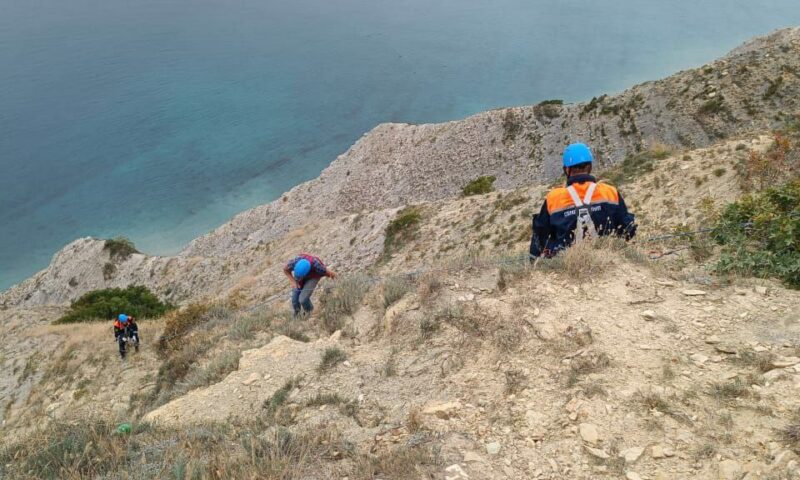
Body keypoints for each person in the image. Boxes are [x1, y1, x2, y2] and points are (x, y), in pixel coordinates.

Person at [529, 143, 636, 259]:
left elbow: (540, 236)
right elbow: (628, 230)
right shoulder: (610, 192)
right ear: (590, 167)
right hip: (608, 260)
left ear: (567, 169)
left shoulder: (553, 198)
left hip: (566, 265)